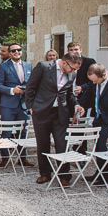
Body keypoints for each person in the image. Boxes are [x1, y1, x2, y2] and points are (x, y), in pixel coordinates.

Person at [25, 52, 84, 185]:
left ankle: (64, 175)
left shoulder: (72, 74)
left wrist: (76, 105)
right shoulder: (44, 67)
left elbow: (70, 94)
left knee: (62, 144)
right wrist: (31, 107)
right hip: (41, 111)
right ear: (64, 63)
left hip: (60, 113)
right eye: (72, 68)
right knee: (43, 144)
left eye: (75, 69)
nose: (73, 71)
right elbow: (30, 87)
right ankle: (45, 173)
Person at [78, 64, 108, 185]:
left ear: (104, 75)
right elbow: (89, 96)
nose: (94, 84)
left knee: (103, 148)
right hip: (98, 119)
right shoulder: (96, 82)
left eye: (96, 81)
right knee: (97, 147)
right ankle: (100, 173)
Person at [0, 43, 34, 167]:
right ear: (10, 53)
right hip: (8, 104)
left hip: (23, 104)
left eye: (19, 50)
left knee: (23, 132)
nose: (16, 52)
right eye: (13, 50)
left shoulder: (28, 66)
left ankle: (22, 158)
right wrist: (12, 90)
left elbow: (33, 83)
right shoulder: (3, 67)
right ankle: (5, 158)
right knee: (6, 132)